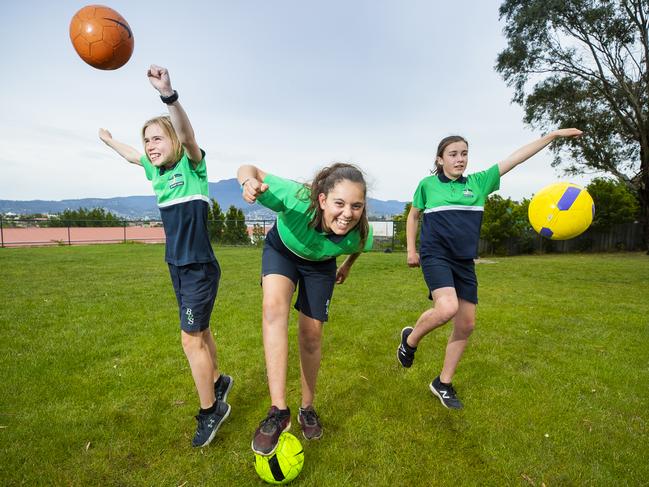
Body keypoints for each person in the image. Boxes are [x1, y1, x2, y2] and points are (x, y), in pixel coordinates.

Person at [397, 129, 583, 409]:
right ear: (439, 160)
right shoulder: (427, 185)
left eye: (464, 154)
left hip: (464, 261)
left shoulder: (480, 182)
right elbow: (413, 216)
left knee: (466, 324)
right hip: (435, 255)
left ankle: (443, 383)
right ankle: (410, 341)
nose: (460, 159)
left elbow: (515, 159)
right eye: (453, 154)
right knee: (446, 308)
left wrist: (552, 136)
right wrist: (412, 250)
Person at [98, 65, 233, 447]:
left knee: (189, 340)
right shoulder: (155, 174)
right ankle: (219, 382)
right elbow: (131, 156)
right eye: (147, 141)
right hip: (176, 265)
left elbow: (188, 135)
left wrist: (168, 95)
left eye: (158, 138)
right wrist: (109, 140)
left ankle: (211, 411)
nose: (151, 146)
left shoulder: (192, 167)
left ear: (173, 140)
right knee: (201, 331)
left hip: (198, 269)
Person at [237, 163, 373, 455]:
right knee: (273, 309)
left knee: (311, 335)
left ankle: (307, 408)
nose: (347, 213)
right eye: (339, 203)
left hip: (321, 266)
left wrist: (347, 264)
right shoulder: (296, 198)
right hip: (282, 251)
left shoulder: (359, 231)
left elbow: (360, 243)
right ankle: (278, 410)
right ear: (322, 200)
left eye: (356, 205)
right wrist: (247, 181)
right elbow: (248, 168)